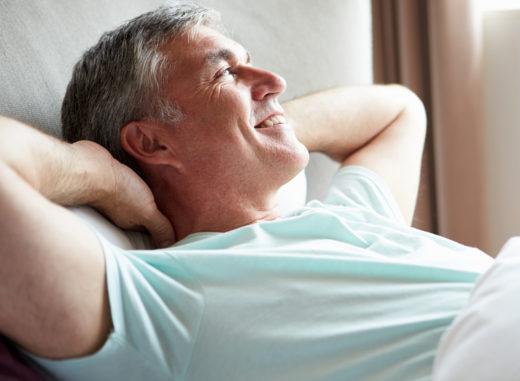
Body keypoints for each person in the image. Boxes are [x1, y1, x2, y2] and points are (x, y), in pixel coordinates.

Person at [0, 3, 492, 380]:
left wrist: (269, 124)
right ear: (151, 141)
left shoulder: (352, 217)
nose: (275, 81)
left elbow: (399, 110)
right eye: (225, 73)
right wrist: (101, 176)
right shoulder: (159, 301)